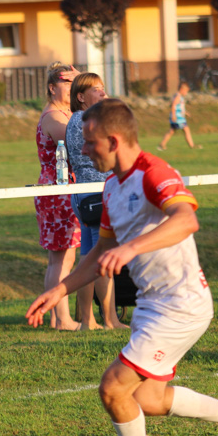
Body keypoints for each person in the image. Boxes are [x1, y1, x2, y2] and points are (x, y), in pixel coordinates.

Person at [26, 99, 218, 436]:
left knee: (113, 387)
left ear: (113, 139)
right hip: (151, 304)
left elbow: (187, 219)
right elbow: (100, 252)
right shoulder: (111, 186)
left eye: (90, 143)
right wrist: (59, 290)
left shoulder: (153, 172)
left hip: (181, 305)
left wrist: (132, 247)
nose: (85, 151)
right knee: (149, 400)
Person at [64, 73, 125, 330]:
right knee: (103, 255)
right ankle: (109, 319)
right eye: (96, 89)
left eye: (103, 87)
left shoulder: (78, 118)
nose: (102, 92)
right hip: (95, 193)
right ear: (80, 97)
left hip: (86, 193)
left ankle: (88, 319)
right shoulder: (85, 119)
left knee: (88, 257)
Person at [34, 62, 80, 330]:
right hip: (57, 191)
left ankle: (55, 316)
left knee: (62, 257)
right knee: (62, 257)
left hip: (63, 189)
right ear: (52, 88)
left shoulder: (66, 113)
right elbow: (78, 143)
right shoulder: (54, 117)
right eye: (68, 82)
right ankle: (63, 318)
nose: (74, 87)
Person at [157, 82, 199, 151]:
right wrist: (174, 116)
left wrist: (185, 112)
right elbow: (173, 106)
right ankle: (192, 145)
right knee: (186, 129)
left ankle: (162, 144)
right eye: (186, 91)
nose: (186, 93)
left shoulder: (178, 96)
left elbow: (179, 107)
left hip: (178, 117)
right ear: (182, 89)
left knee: (172, 131)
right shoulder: (178, 97)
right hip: (178, 118)